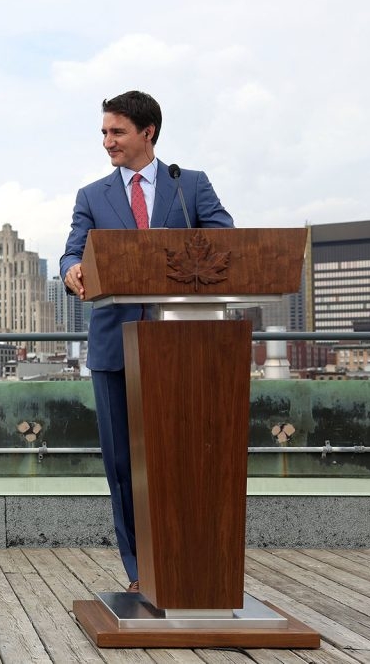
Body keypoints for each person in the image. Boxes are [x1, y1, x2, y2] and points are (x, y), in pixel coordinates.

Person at [59, 91, 234, 593]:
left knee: (185, 456)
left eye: (116, 132)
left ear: (147, 133)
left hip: (185, 348)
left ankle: (192, 562)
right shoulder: (92, 196)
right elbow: (73, 252)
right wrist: (73, 271)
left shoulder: (190, 187)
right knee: (122, 463)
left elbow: (226, 244)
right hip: (116, 347)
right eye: (104, 133)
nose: (107, 142)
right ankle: (141, 571)